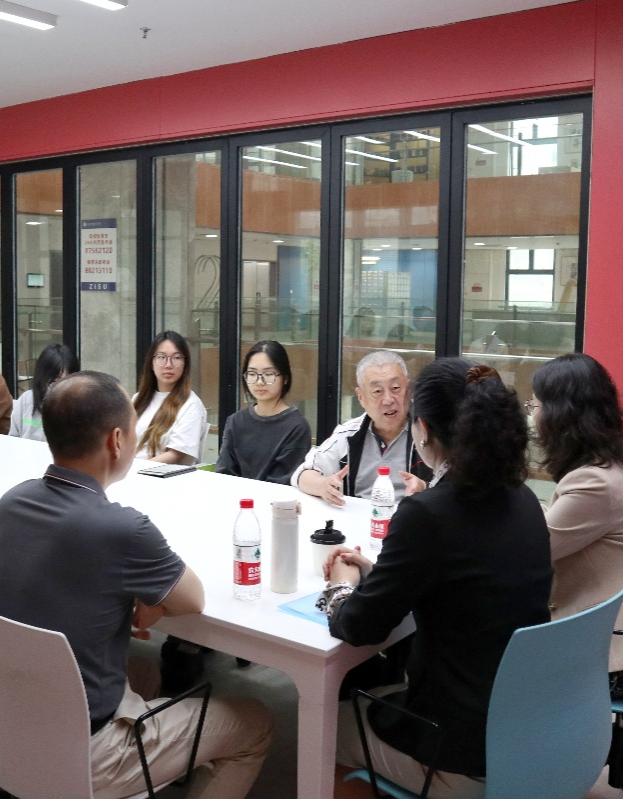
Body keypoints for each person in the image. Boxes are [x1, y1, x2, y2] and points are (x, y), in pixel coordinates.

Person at [0, 371, 273, 799]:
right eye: (134, 429)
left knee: (144, 672)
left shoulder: (13, 501)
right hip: (81, 752)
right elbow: (193, 598)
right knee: (255, 722)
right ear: (117, 441)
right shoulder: (122, 529)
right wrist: (145, 593)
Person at [322, 359, 552, 799]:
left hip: (461, 745)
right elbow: (462, 579)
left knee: (323, 723)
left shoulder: (428, 514)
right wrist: (381, 572)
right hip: (526, 724)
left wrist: (342, 583)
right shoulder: (524, 498)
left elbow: (357, 627)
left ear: (422, 429)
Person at [530, 352, 623, 696]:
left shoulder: (595, 483)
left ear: (560, 415)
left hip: (619, 656)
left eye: (535, 406)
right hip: (620, 635)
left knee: (493, 666)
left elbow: (530, 551)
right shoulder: (607, 465)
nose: (531, 415)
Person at [293, 350, 431, 506]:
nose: (388, 400)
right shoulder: (348, 433)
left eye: (395, 388)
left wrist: (425, 488)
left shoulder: (429, 431)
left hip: (412, 517)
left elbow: (450, 487)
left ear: (408, 389)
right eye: (377, 391)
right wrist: (323, 486)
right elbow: (302, 474)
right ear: (361, 397)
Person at [215, 339, 311, 485]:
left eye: (268, 374)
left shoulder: (296, 427)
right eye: (252, 374)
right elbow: (224, 474)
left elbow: (283, 482)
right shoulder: (235, 421)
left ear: (285, 378)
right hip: (235, 497)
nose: (260, 381)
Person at [132, 330, 208, 465]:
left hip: (162, 474)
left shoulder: (191, 404)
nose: (168, 365)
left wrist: (136, 469)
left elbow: (176, 456)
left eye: (176, 358)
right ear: (151, 362)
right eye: (161, 357)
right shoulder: (138, 399)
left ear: (185, 364)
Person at [8, 342, 77, 443]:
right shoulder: (27, 399)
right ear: (42, 376)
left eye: (66, 381)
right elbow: (13, 438)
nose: (59, 386)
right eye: (54, 381)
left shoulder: (79, 406)